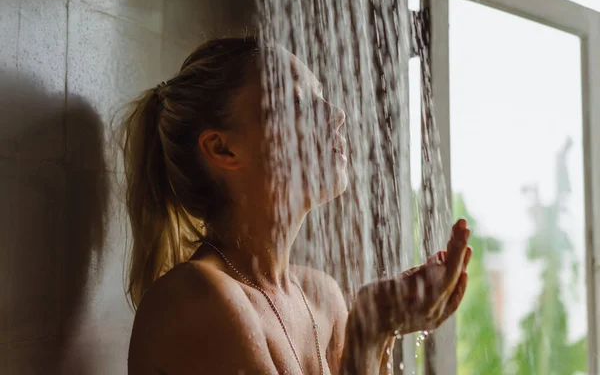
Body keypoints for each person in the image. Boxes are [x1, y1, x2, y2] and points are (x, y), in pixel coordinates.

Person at [121, 37, 472, 375]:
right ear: (222, 149)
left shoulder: (322, 298)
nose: (336, 115)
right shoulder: (195, 300)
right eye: (298, 103)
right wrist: (373, 326)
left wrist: (378, 328)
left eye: (321, 97)